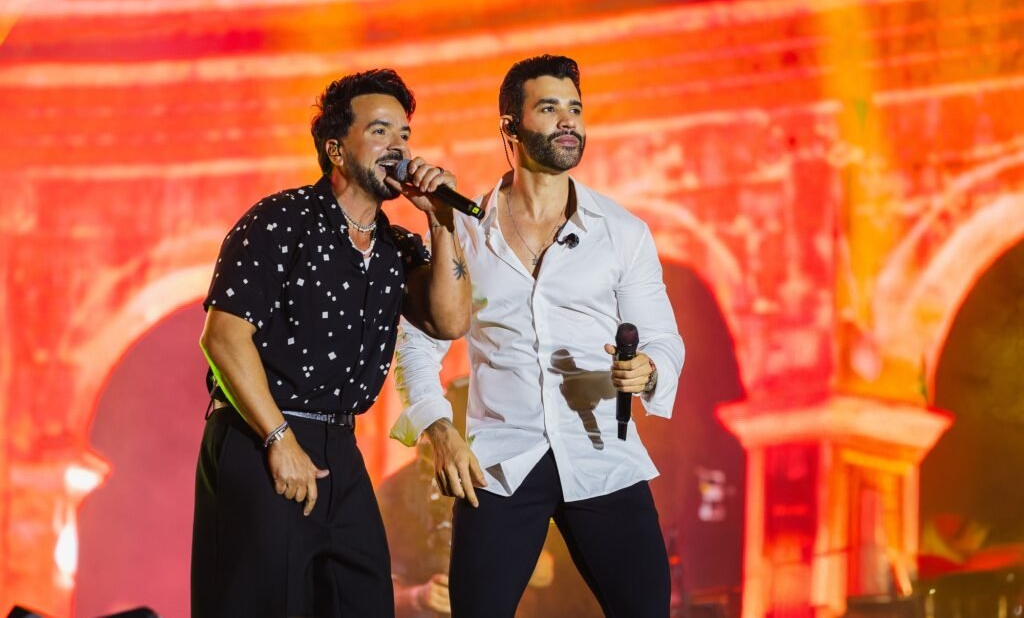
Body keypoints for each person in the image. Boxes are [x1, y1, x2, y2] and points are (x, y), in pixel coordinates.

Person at [390, 55, 684, 617]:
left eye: (575, 108)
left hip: (602, 455)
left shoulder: (622, 233)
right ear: (511, 127)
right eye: (549, 109)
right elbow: (417, 345)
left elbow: (663, 339)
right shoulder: (463, 229)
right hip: (501, 463)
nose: (568, 121)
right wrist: (439, 430)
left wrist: (648, 368)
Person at [191, 68, 470, 618]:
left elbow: (450, 320)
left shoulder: (395, 246)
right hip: (261, 434)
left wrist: (442, 223)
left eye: (405, 134)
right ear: (336, 150)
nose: (399, 147)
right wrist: (279, 438)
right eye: (381, 131)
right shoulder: (280, 220)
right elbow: (223, 337)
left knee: (361, 598)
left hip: (340, 444)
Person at [379, 378, 557, 617]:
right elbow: (368, 589)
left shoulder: (516, 477)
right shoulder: (395, 491)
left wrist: (494, 549)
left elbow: (546, 573)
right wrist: (418, 597)